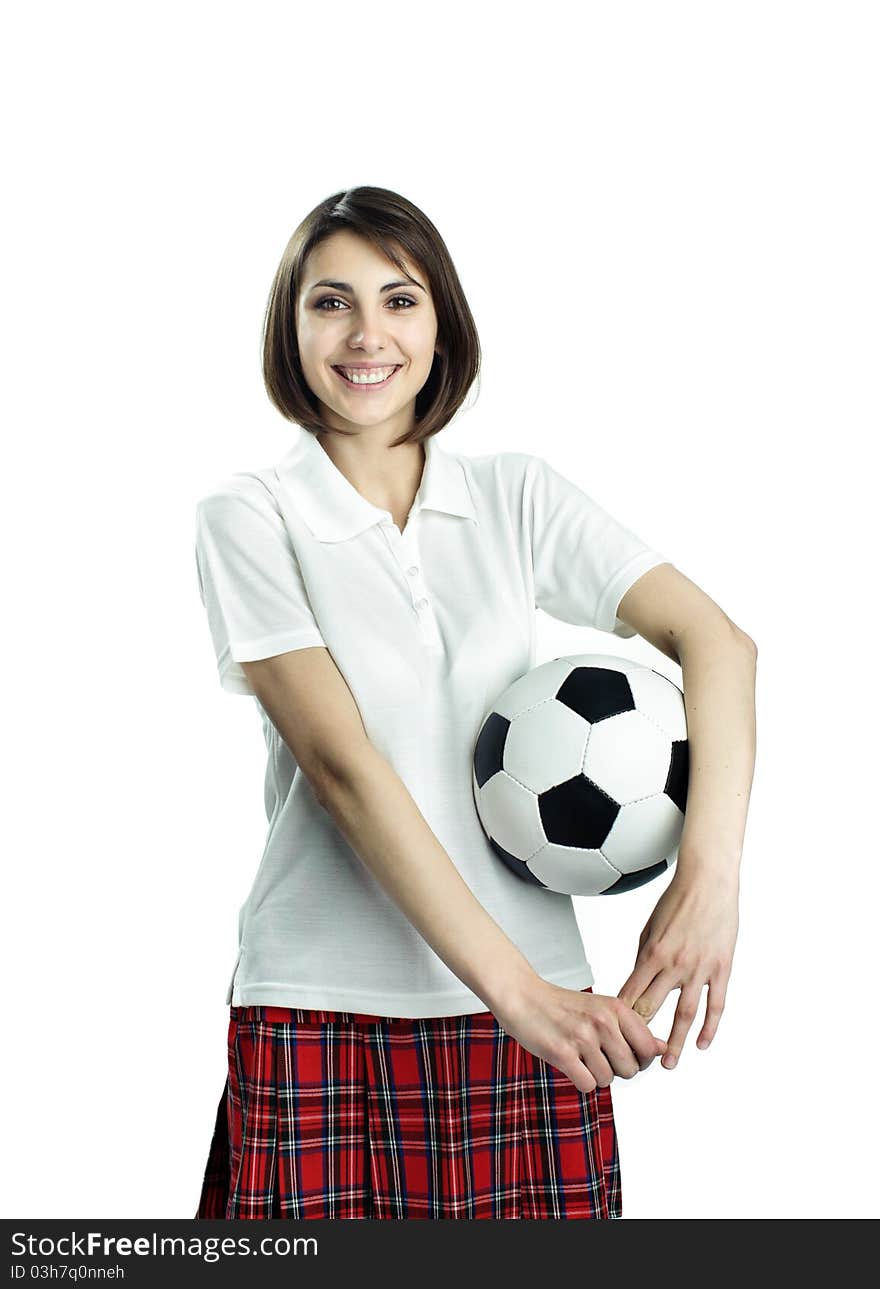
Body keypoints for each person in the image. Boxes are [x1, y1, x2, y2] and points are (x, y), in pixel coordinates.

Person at [192, 186, 753, 1220]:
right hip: (328, 1002)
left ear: (440, 320)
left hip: (537, 1007)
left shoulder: (514, 495)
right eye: (331, 302)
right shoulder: (250, 514)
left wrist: (709, 880)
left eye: (399, 300)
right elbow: (342, 763)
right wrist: (518, 992)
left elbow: (716, 641)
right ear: (290, 327)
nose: (368, 334)